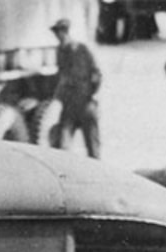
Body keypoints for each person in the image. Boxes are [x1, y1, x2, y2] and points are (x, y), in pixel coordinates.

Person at [50, 17, 104, 154]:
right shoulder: (60, 51)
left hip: (85, 105)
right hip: (69, 106)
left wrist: (89, 93)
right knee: (62, 148)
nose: (57, 36)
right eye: (56, 33)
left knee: (93, 148)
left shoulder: (82, 49)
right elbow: (61, 76)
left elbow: (97, 74)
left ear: (66, 32)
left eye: (59, 32)